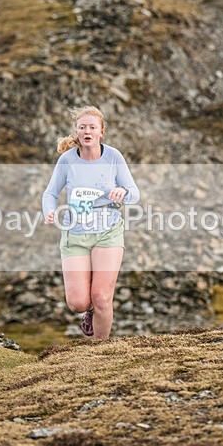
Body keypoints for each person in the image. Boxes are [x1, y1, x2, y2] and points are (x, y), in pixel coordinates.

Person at [42, 106, 140, 340]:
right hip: (75, 232)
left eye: (92, 127)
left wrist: (122, 192)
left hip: (108, 230)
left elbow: (134, 193)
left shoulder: (113, 156)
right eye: (82, 127)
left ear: (101, 132)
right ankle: (89, 312)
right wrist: (49, 212)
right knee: (78, 302)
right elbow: (50, 193)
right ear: (77, 131)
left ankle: (100, 352)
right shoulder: (67, 160)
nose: (87, 131)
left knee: (102, 296)